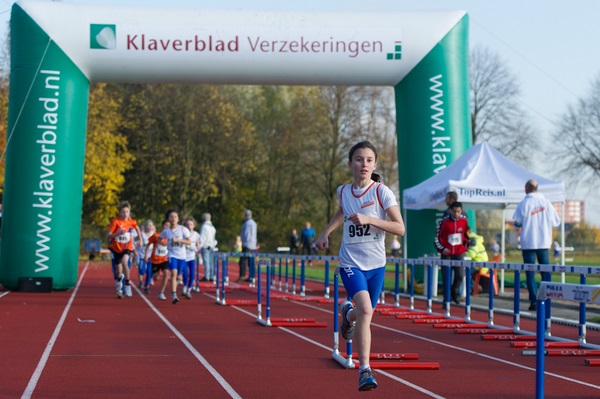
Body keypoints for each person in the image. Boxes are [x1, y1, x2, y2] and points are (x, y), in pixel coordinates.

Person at [315, 141, 405, 392]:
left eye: (368, 160)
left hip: (376, 265)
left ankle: (348, 315)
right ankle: (365, 370)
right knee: (366, 308)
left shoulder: (382, 192)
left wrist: (370, 219)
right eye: (358, 159)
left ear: (375, 164)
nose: (363, 164)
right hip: (351, 262)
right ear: (350, 163)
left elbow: (400, 228)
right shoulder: (342, 191)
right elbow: (342, 212)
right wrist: (325, 233)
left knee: (365, 313)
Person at [513, 179, 560, 311]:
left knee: (530, 274)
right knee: (545, 273)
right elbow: (556, 222)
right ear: (537, 188)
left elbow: (517, 223)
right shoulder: (546, 203)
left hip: (528, 243)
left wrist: (527, 222)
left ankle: (534, 301)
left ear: (526, 188)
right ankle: (546, 299)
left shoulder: (523, 204)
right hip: (543, 242)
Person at [434, 201, 470, 305]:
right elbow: (436, 238)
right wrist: (443, 249)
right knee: (446, 277)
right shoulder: (444, 222)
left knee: (460, 275)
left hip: (459, 253)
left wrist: (465, 246)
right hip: (447, 253)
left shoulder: (464, 222)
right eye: (454, 212)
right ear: (450, 210)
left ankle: (454, 292)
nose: (456, 214)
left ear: (461, 211)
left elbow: (467, 236)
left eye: (458, 212)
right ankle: (446, 299)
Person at [107, 201, 143, 298]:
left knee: (125, 262)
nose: (125, 214)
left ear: (129, 212)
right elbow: (108, 236)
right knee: (119, 272)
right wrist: (117, 234)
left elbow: (138, 229)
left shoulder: (132, 222)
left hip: (127, 246)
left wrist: (140, 240)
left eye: (127, 212)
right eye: (123, 212)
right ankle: (119, 287)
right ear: (119, 212)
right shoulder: (115, 222)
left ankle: (127, 284)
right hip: (116, 248)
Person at [161, 209, 191, 304]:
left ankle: (174, 290)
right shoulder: (166, 231)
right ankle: (174, 294)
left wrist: (179, 240)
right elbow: (159, 239)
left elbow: (189, 242)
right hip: (172, 255)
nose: (173, 219)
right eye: (171, 217)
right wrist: (163, 244)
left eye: (175, 217)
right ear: (168, 219)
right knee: (173, 273)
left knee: (178, 276)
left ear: (178, 219)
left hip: (182, 256)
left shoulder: (183, 229)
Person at [144, 220, 170, 297]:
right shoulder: (156, 235)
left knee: (166, 274)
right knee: (156, 278)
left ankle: (161, 292)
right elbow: (148, 244)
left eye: (169, 226)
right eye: (165, 225)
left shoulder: (171, 237)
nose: (167, 227)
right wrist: (146, 255)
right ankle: (156, 274)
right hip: (155, 260)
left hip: (165, 259)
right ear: (162, 226)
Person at [466, 227, 490, 294]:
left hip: (479, 265)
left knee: (463, 273)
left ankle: (474, 287)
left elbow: (471, 255)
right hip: (481, 264)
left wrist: (464, 254)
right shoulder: (475, 239)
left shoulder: (473, 241)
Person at [182, 217, 200, 299]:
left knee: (192, 275)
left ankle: (189, 290)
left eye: (191, 224)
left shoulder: (196, 234)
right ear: (185, 226)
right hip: (184, 257)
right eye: (188, 224)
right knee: (185, 275)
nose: (189, 226)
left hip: (192, 257)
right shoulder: (183, 234)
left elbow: (198, 245)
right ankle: (185, 287)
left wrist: (198, 250)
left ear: (194, 226)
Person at [238, 209, 257, 282]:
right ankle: (252, 276)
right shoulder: (253, 223)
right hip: (252, 244)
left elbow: (247, 234)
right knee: (251, 261)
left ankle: (242, 276)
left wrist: (244, 242)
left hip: (247, 244)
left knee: (242, 261)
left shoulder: (247, 223)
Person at [198, 212, 218, 282]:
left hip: (206, 246)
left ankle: (207, 276)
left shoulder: (204, 227)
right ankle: (212, 276)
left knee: (206, 262)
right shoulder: (212, 227)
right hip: (212, 246)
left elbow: (202, 237)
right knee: (211, 262)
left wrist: (199, 246)